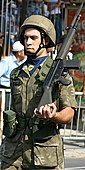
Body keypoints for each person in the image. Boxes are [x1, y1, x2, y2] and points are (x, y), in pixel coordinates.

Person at [1, 15, 77, 170]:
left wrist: (54, 115)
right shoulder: (16, 73)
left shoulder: (60, 74)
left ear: (46, 41)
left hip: (44, 153)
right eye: (26, 38)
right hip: (13, 151)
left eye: (33, 38)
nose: (28, 42)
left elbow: (69, 112)